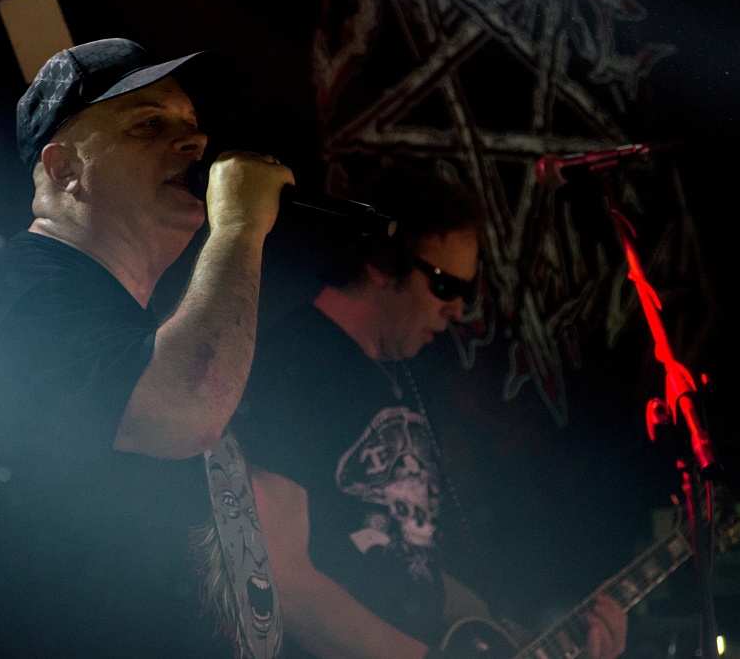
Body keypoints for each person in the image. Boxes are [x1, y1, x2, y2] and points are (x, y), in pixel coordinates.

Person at [0, 38, 292, 658]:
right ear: (64, 170)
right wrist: (241, 228)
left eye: (193, 127)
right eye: (149, 126)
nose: (195, 144)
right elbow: (184, 409)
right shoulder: (17, 295)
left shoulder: (117, 318)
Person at [232, 169, 628, 659]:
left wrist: (528, 643)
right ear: (381, 265)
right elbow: (277, 575)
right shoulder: (293, 363)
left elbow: (412, 568)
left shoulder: (403, 378)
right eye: (443, 285)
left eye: (467, 290)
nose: (458, 309)